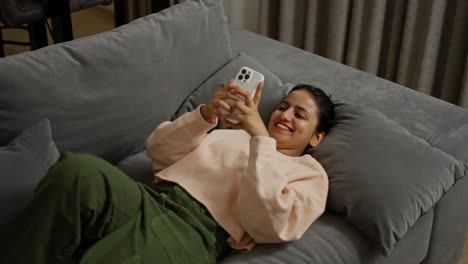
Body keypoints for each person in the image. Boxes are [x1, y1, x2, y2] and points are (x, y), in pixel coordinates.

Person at [1, 80, 335, 264]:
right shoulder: (233, 135)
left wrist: (260, 137)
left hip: (195, 232)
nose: (285, 115)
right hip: (149, 197)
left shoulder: (309, 173)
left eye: (300, 114)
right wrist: (205, 114)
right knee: (76, 171)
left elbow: (271, 224)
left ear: (316, 137)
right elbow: (158, 152)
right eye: (282, 106)